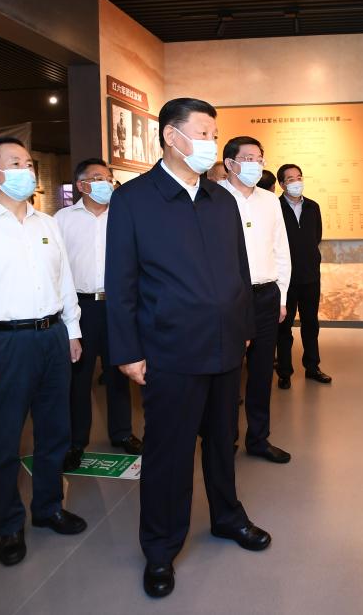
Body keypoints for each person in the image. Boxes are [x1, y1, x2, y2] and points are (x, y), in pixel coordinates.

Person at [106, 97, 270, 599]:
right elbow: (121, 282)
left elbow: (240, 269)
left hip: (225, 345)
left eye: (214, 135)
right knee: (169, 454)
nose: (211, 144)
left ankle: (227, 516)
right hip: (170, 351)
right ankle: (160, 547)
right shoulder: (135, 199)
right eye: (203, 133)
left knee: (223, 441)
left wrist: (244, 326)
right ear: (171, 136)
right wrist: (127, 351)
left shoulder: (222, 199)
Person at [0, 137, 86, 568]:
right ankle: (8, 524)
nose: (26, 170)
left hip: (52, 336)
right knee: (5, 438)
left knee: (55, 431)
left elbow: (64, 280)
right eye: (15, 163)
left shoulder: (47, 224)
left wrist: (72, 329)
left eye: (28, 163)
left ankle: (48, 507)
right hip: (4, 342)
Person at [55, 158, 141, 473]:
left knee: (120, 370)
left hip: (118, 305)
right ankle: (76, 441)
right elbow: (56, 267)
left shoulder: (123, 215)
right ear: (81, 185)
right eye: (97, 177)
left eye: (108, 177)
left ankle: (122, 433)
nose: (105, 182)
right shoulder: (62, 219)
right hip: (81, 306)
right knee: (79, 377)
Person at [219, 137, 292, 464]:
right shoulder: (214, 197)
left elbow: (281, 250)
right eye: (248, 158)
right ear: (230, 163)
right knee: (228, 373)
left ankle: (259, 438)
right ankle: (225, 439)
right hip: (229, 298)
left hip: (266, 295)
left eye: (259, 158)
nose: (255, 164)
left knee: (262, 373)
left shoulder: (270, 201)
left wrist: (282, 296)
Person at [275, 164, 332, 388]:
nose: (296, 182)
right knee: (284, 327)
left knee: (311, 324)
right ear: (282, 184)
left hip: (310, 276)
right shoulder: (275, 207)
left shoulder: (312, 207)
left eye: (298, 177)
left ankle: (312, 367)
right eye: (290, 179)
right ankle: (284, 372)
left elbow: (316, 236)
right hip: (285, 279)